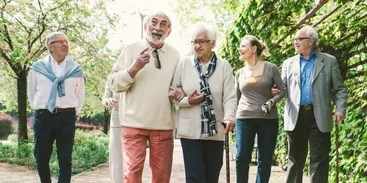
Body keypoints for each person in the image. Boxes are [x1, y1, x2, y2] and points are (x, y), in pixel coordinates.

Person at [109, 10, 180, 183]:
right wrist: (134, 67)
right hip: (133, 123)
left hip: (163, 125)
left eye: (163, 24)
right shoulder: (130, 50)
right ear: (145, 26)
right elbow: (114, 84)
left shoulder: (175, 55)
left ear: (169, 31)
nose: (157, 27)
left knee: (162, 177)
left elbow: (178, 86)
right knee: (132, 175)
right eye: (154, 22)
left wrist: (179, 91)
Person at [169, 22, 237, 183]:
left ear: (212, 43)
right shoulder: (184, 64)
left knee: (211, 176)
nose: (197, 46)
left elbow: (229, 97)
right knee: (194, 176)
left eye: (201, 41)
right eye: (194, 42)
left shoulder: (224, 66)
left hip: (215, 133)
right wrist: (188, 101)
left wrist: (229, 117)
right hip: (189, 132)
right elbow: (172, 93)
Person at [280, 25, 348, 183]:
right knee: (295, 161)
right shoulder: (288, 63)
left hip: (320, 115)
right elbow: (281, 89)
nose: (295, 42)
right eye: (294, 39)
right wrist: (272, 93)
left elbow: (339, 89)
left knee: (319, 160)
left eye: (299, 39)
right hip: (296, 115)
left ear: (310, 41)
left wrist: (340, 108)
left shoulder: (329, 61)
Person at [28, 32, 85, 183]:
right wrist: (40, 109)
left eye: (66, 42)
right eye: (60, 42)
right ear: (51, 46)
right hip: (44, 117)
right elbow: (31, 93)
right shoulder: (37, 68)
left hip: (66, 117)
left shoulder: (76, 69)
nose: (65, 44)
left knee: (65, 159)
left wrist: (73, 113)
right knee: (41, 157)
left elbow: (80, 95)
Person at [235, 35, 285, 183]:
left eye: (243, 46)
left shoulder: (271, 68)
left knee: (265, 158)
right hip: (244, 119)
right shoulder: (239, 73)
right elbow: (236, 99)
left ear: (254, 48)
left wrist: (271, 101)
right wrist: (232, 119)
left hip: (268, 120)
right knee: (241, 157)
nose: (240, 49)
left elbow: (282, 91)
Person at [102, 74, 123, 183]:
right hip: (117, 119)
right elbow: (105, 97)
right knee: (116, 158)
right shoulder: (112, 76)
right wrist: (108, 100)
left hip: (135, 120)